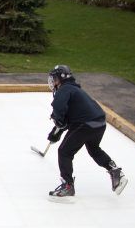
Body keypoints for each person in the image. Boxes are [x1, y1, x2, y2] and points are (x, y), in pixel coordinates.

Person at [45, 65, 128, 202]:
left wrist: (57, 121)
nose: (52, 82)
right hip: (99, 123)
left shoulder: (64, 89)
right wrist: (56, 132)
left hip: (85, 124)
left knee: (65, 151)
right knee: (94, 149)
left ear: (60, 78)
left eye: (54, 79)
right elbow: (68, 118)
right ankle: (115, 172)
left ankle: (68, 186)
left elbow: (60, 110)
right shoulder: (75, 89)